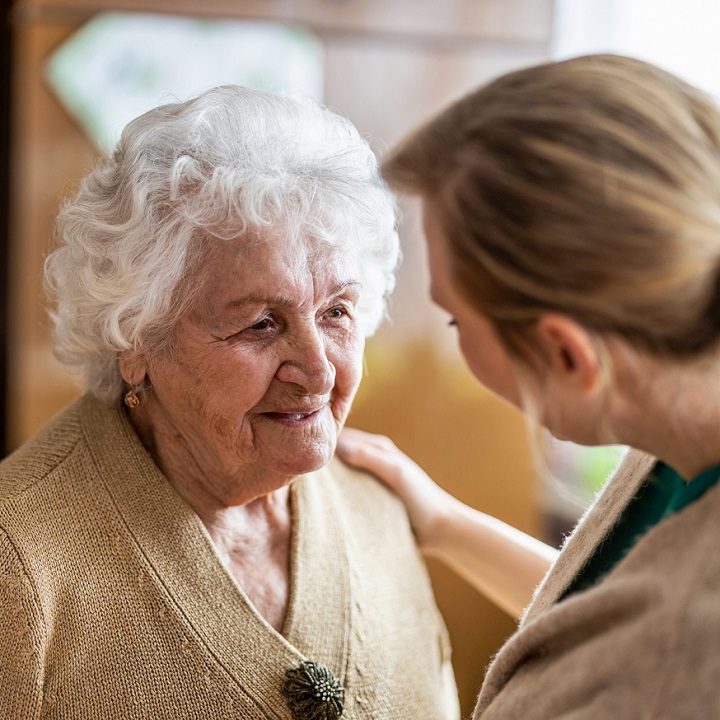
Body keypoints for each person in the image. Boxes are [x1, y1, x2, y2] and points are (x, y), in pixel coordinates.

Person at [0, 86, 459, 719]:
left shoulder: (380, 509)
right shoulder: (19, 561)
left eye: (337, 312)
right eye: (260, 324)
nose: (319, 371)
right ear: (134, 338)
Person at [337, 54, 720, 718]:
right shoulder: (680, 402)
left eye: (455, 318)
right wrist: (446, 524)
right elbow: (609, 621)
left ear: (566, 355)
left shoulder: (688, 668)